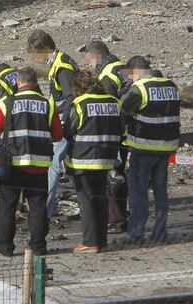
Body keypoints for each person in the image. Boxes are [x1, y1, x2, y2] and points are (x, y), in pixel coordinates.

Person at [0, 67, 62, 256]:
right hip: (39, 165)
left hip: (12, 164)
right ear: (36, 83)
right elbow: (57, 135)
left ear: (18, 83)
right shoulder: (48, 104)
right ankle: (38, 247)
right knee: (38, 206)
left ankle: (4, 248)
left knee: (7, 205)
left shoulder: (5, 103)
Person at [122, 56, 180, 244]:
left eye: (130, 76)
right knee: (161, 191)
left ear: (135, 71)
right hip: (166, 147)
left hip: (144, 146)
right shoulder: (171, 86)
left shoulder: (140, 88)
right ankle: (160, 232)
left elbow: (124, 113)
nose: (131, 80)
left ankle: (136, 233)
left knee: (138, 192)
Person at [64, 71, 123, 253]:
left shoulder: (79, 103)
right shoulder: (114, 103)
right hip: (106, 159)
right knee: (101, 199)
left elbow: (69, 130)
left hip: (83, 160)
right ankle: (101, 241)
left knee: (86, 201)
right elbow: (122, 129)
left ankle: (90, 242)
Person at [27, 29, 79, 218]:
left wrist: (59, 119)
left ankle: (44, 211)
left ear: (47, 48)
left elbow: (71, 97)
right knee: (71, 166)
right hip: (64, 120)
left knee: (54, 166)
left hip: (66, 123)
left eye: (37, 54)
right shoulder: (58, 62)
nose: (36, 59)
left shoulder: (62, 66)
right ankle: (89, 203)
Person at [85, 40, 129, 233]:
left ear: (95, 56)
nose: (87, 62)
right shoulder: (121, 68)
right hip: (127, 132)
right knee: (119, 175)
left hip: (114, 134)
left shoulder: (107, 75)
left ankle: (115, 220)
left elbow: (107, 106)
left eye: (87, 57)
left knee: (108, 177)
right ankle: (122, 216)